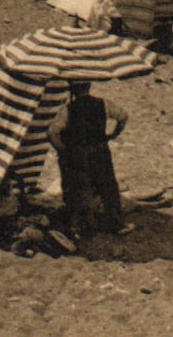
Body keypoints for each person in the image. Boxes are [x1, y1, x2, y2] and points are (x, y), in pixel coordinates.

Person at [46, 83, 129, 237]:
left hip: (78, 153)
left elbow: (52, 132)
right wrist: (113, 134)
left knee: (79, 189)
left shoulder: (68, 109)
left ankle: (81, 226)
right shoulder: (102, 103)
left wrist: (64, 150)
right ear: (89, 86)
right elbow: (123, 116)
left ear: (72, 89)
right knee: (108, 186)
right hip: (100, 149)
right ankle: (116, 223)